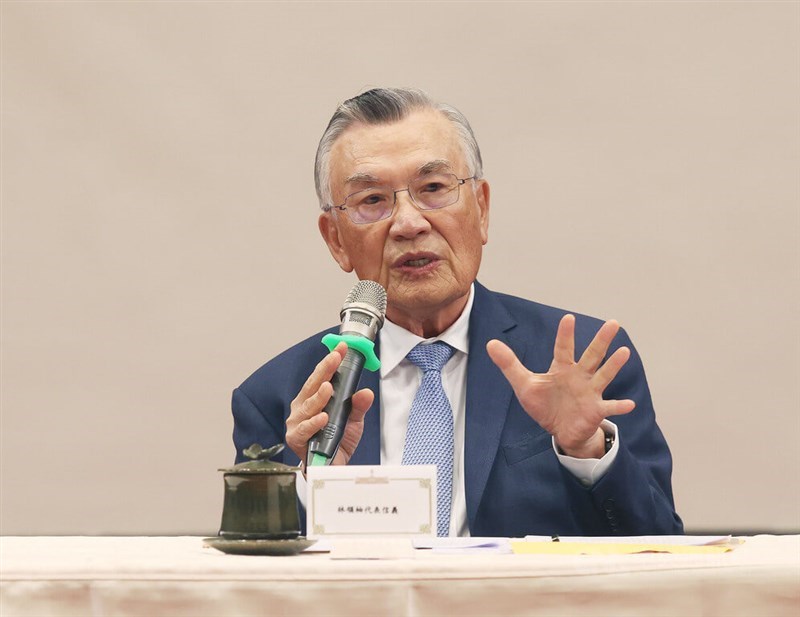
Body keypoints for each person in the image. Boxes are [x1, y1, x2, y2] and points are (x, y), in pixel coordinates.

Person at [232, 87, 683, 537]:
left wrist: (586, 449)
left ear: (481, 209)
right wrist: (316, 480)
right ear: (335, 239)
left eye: (433, 188)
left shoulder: (583, 363)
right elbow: (253, 587)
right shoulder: (279, 397)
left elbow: (662, 550)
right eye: (372, 201)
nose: (409, 224)